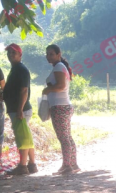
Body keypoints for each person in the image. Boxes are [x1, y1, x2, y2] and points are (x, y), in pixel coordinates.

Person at [43, 44, 80, 175]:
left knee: (63, 137)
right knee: (67, 136)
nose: (48, 56)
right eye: (47, 54)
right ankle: (73, 163)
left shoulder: (59, 67)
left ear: (59, 54)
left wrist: (47, 89)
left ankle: (66, 166)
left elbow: (60, 86)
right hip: (64, 106)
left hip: (59, 107)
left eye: (51, 54)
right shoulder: (60, 67)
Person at [3, 44, 37, 175]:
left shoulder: (21, 69)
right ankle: (32, 164)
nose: (10, 55)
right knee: (26, 136)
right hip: (19, 109)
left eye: (13, 53)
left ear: (20, 55)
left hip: (20, 110)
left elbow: (24, 90)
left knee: (22, 138)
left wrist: (19, 109)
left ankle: (22, 166)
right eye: (9, 52)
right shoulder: (15, 69)